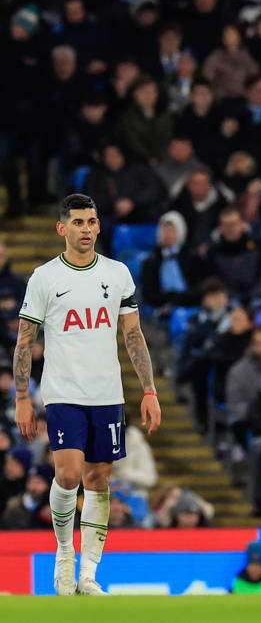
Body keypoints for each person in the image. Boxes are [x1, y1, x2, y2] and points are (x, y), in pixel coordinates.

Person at [13, 194, 162, 595]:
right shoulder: (45, 277)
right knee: (68, 473)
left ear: (99, 226)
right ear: (62, 228)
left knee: (99, 478)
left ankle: (89, 573)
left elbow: (132, 334)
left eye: (92, 221)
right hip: (63, 392)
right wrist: (22, 397)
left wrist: (149, 389)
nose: (86, 229)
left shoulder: (117, 274)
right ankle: (64, 554)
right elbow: (25, 340)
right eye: (77, 222)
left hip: (107, 393)